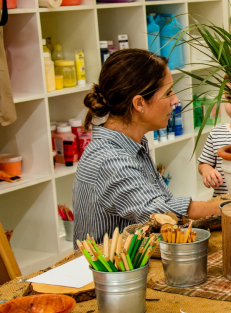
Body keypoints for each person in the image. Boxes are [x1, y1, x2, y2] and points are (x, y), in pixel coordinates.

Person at [73, 49, 220, 245]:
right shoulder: (109, 158)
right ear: (139, 102)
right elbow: (160, 211)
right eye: (168, 93)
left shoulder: (132, 146)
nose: (175, 101)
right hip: (110, 272)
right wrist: (225, 207)